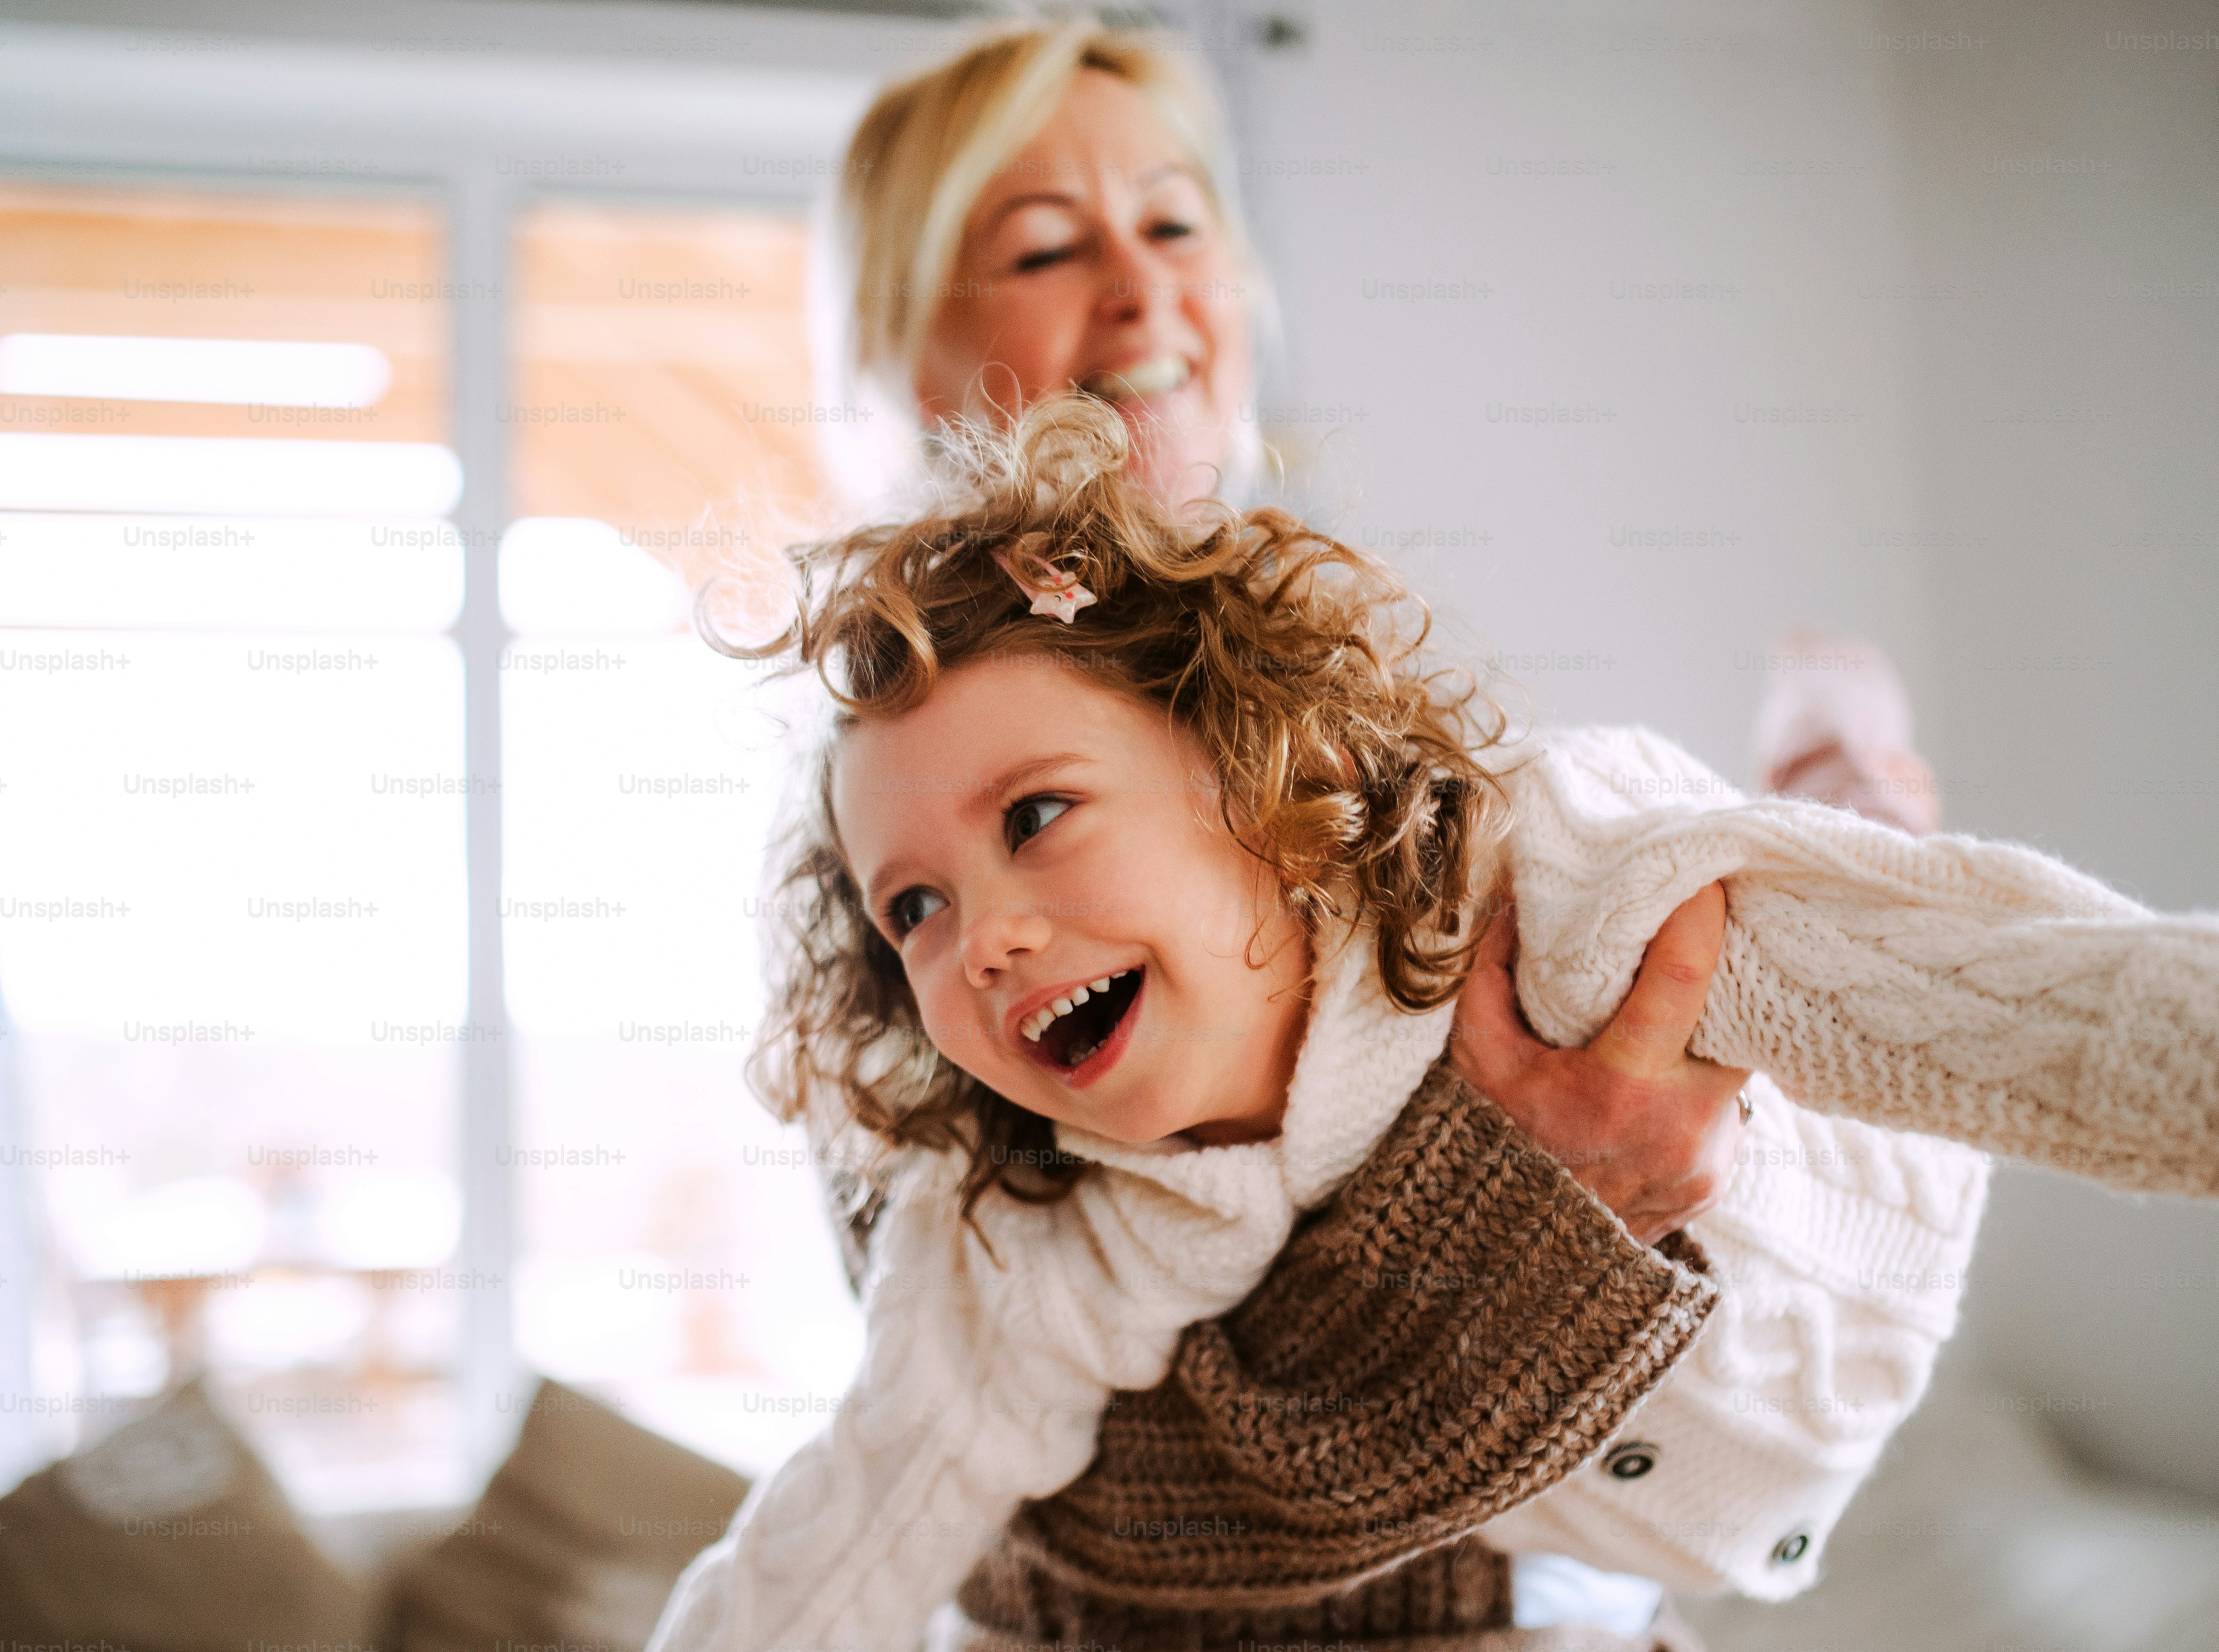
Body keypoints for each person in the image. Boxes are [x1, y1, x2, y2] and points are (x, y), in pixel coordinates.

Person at [646, 397, 2216, 1652]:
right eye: (911, 910)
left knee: (1846, 882)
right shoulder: (1027, 1236)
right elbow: (855, 1519)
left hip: (1843, 1220)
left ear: (1254, 770)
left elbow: (2008, 999)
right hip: (1638, 1531)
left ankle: (1836, 766)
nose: (983, 937)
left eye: (1038, 816)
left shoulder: (1522, 890)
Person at [780, 20, 1978, 1640]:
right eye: (1047, 247)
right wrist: (1540, 1228)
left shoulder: (1373, 725)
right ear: (906, 355)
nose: (1140, 291)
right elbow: (1080, 1500)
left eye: (1177, 222)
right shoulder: (881, 849)